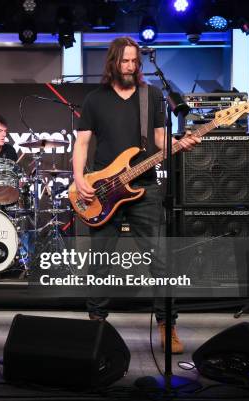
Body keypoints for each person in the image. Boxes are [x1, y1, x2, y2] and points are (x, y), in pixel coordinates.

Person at [72, 37, 200, 354]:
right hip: (103, 190)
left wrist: (178, 144)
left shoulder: (152, 95)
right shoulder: (95, 99)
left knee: (160, 262)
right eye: (125, 61)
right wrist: (79, 179)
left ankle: (167, 325)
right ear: (113, 63)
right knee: (100, 264)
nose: (130, 67)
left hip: (146, 189)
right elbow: (82, 144)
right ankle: (96, 327)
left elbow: (159, 140)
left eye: (134, 62)